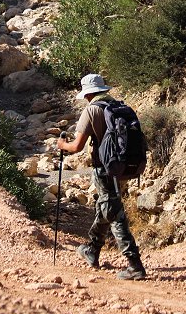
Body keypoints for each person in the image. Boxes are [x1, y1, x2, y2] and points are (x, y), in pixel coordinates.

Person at [57, 73, 146, 281]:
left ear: (88, 94)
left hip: (104, 169)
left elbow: (77, 146)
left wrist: (62, 146)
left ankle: (135, 265)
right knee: (106, 206)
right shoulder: (118, 107)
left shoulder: (92, 110)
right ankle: (92, 250)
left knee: (113, 212)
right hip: (122, 166)